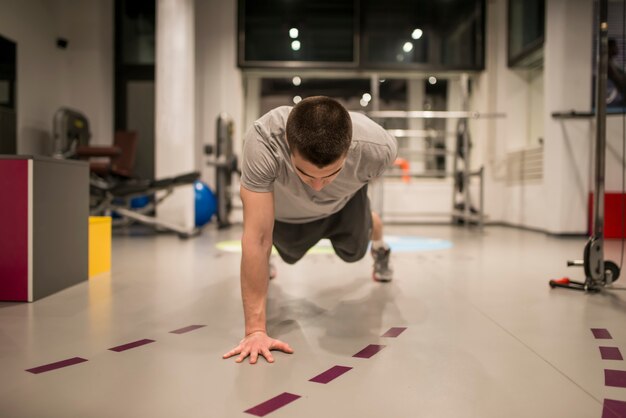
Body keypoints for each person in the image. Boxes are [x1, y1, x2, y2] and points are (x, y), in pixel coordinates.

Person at [222, 96, 398, 364]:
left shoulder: (379, 149)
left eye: (330, 174)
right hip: (288, 215)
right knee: (286, 253)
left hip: (343, 207)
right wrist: (255, 331)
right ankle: (267, 262)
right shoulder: (263, 141)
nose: (317, 187)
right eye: (305, 175)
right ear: (288, 146)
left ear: (349, 150)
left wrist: (343, 189)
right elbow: (257, 237)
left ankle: (380, 247)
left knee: (354, 253)